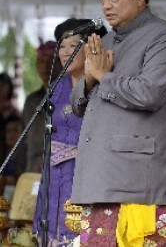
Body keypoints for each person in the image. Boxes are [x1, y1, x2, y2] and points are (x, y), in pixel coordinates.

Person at [70, 0, 166, 246]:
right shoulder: (106, 41)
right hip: (101, 177)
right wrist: (89, 78)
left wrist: (102, 76)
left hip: (143, 181)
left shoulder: (165, 38)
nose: (106, 6)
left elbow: (149, 93)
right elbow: (77, 106)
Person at [32, 18, 107, 246]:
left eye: (73, 45)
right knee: (52, 228)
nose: (65, 52)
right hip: (54, 171)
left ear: (91, 48)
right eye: (61, 46)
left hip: (87, 171)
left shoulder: (103, 84)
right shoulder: (56, 86)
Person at [22, 40, 61, 172]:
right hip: (33, 167)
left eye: (51, 61)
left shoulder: (70, 95)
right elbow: (24, 140)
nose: (46, 66)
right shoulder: (31, 101)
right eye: (41, 61)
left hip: (60, 166)